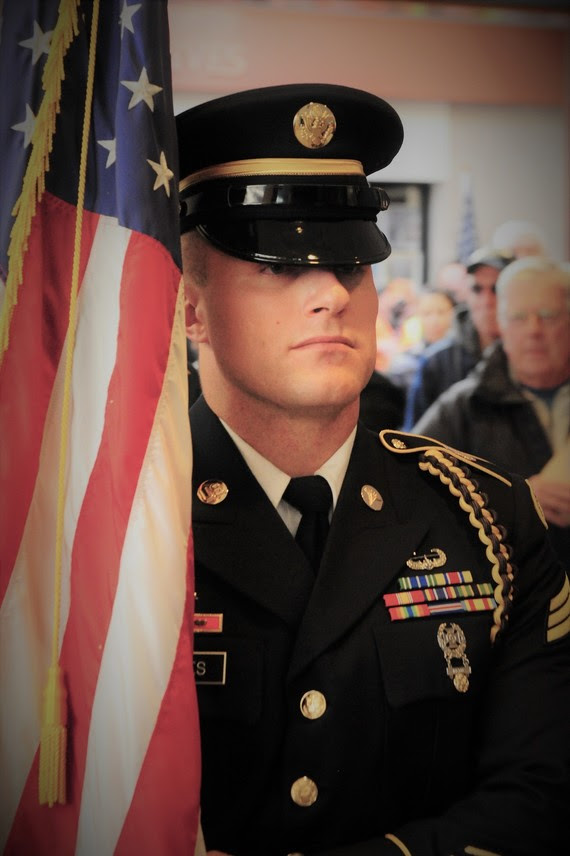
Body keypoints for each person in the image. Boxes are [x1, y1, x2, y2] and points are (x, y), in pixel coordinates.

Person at [177, 83, 570, 856]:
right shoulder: (119, 532)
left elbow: (542, 794)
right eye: (279, 266)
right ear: (192, 310)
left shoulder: (485, 516)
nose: (329, 291)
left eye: (352, 264)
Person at [413, 256, 570, 566]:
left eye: (549, 315)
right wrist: (511, 504)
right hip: (510, 595)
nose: (534, 330)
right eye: (518, 317)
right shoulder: (463, 406)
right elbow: (409, 495)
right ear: (501, 324)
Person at [404, 246, 512, 428]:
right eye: (477, 289)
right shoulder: (437, 362)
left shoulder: (532, 356)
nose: (487, 300)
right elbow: (413, 438)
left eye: (496, 289)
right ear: (467, 294)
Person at [386, 287, 455, 396]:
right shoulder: (404, 362)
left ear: (452, 314)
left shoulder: (460, 359)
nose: (435, 320)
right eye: (427, 313)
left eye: (441, 312)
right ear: (418, 316)